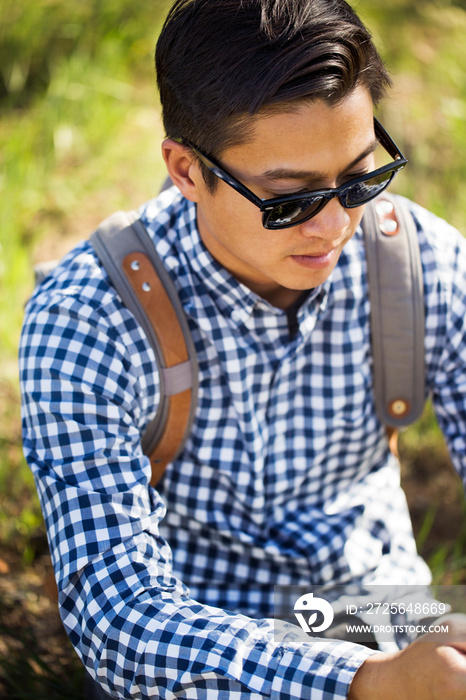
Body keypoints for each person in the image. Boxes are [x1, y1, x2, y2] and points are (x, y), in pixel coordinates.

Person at [19, 0, 466, 698]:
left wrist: (413, 655)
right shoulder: (89, 320)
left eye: (358, 178)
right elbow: (120, 620)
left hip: (383, 614)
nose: (335, 224)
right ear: (186, 169)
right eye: (288, 200)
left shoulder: (423, 264)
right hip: (191, 644)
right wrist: (362, 683)